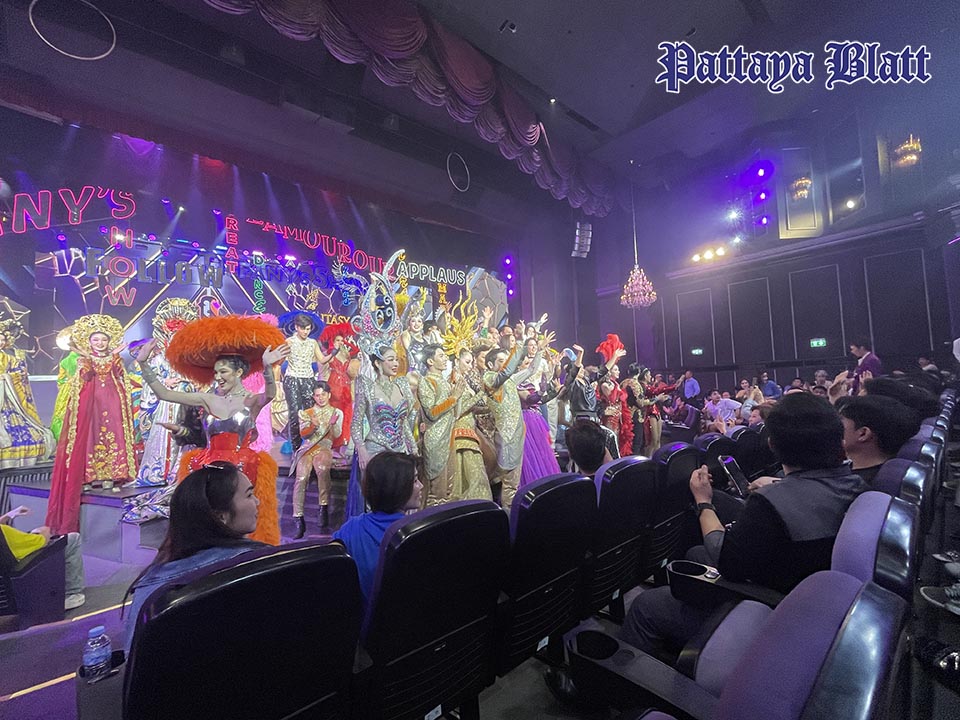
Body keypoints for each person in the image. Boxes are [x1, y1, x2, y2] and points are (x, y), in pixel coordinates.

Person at [620, 394, 866, 661]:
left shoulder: (770, 503)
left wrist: (703, 501)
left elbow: (726, 560)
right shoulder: (857, 483)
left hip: (773, 608)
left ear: (772, 444)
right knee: (694, 554)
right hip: (815, 593)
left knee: (646, 605)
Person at [131, 315, 289, 545]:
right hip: (208, 467)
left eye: (223, 372)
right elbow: (165, 394)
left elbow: (271, 395)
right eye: (215, 372)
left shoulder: (251, 401)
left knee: (239, 521)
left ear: (238, 372)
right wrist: (144, 364)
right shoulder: (207, 399)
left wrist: (267, 367)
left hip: (243, 469)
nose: (218, 377)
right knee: (205, 520)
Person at [123, 463, 264, 652]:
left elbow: (133, 656)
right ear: (220, 516)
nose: (258, 502)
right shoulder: (260, 563)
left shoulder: (150, 588)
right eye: (249, 495)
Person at [46, 314, 136, 535]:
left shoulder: (115, 358)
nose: (100, 343)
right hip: (91, 402)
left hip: (111, 400)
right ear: (89, 341)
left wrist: (116, 358)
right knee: (90, 436)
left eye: (103, 339)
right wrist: (85, 360)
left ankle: (112, 474)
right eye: (96, 340)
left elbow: (120, 375)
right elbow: (84, 377)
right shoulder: (83, 359)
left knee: (114, 433)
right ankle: (89, 475)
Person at [333, 451, 422, 607]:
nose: (421, 486)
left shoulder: (350, 528)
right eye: (415, 481)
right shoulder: (415, 533)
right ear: (397, 487)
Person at [135, 299, 199, 486]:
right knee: (164, 433)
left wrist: (187, 382)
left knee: (185, 433)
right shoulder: (158, 359)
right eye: (173, 336)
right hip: (165, 401)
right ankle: (158, 472)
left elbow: (201, 381)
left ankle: (179, 472)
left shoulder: (192, 359)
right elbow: (148, 381)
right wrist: (165, 382)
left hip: (186, 400)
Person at [1, 505, 85, 610]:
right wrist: (45, 530)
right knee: (73, 539)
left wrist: (8, 516)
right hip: (20, 569)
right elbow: (42, 540)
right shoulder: (5, 532)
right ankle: (72, 594)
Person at [289, 381, 343, 537]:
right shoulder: (306, 413)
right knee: (301, 477)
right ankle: (298, 518)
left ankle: (323, 508)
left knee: (322, 469)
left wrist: (332, 424)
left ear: (329, 395)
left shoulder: (336, 412)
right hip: (307, 448)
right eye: (317, 395)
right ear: (313, 397)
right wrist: (313, 425)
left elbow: (337, 434)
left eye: (323, 395)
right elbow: (303, 434)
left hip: (324, 447)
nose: (320, 398)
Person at [418, 343, 467, 505]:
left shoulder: (445, 382)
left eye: (445, 356)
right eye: (441, 356)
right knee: (436, 493)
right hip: (436, 442)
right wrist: (453, 398)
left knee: (449, 491)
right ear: (430, 361)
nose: (446, 359)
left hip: (448, 439)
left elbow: (455, 414)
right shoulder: (426, 382)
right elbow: (432, 413)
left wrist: (458, 396)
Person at [0, 318, 52, 468]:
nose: (1, 342)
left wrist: (9, 377)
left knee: (30, 434)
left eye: (2, 339)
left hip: (8, 398)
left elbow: (19, 375)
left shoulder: (10, 359)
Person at [837, 395, 921, 486]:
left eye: (840, 421)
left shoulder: (849, 486)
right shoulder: (882, 472)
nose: (833, 425)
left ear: (863, 434)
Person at [280, 311, 328, 452]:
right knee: (294, 413)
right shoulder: (289, 342)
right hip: (292, 379)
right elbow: (280, 361)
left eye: (308, 329)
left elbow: (322, 359)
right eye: (303, 328)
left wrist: (334, 352)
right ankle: (296, 448)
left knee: (310, 412)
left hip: (308, 379)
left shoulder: (312, 343)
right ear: (296, 327)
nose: (306, 332)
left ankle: (309, 445)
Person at [318, 322, 357, 453]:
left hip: (346, 387)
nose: (340, 342)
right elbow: (323, 369)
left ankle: (343, 442)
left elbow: (354, 356)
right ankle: (332, 444)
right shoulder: (328, 355)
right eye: (337, 340)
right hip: (334, 386)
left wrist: (347, 345)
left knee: (347, 414)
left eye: (342, 340)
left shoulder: (346, 354)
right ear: (331, 341)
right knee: (335, 415)